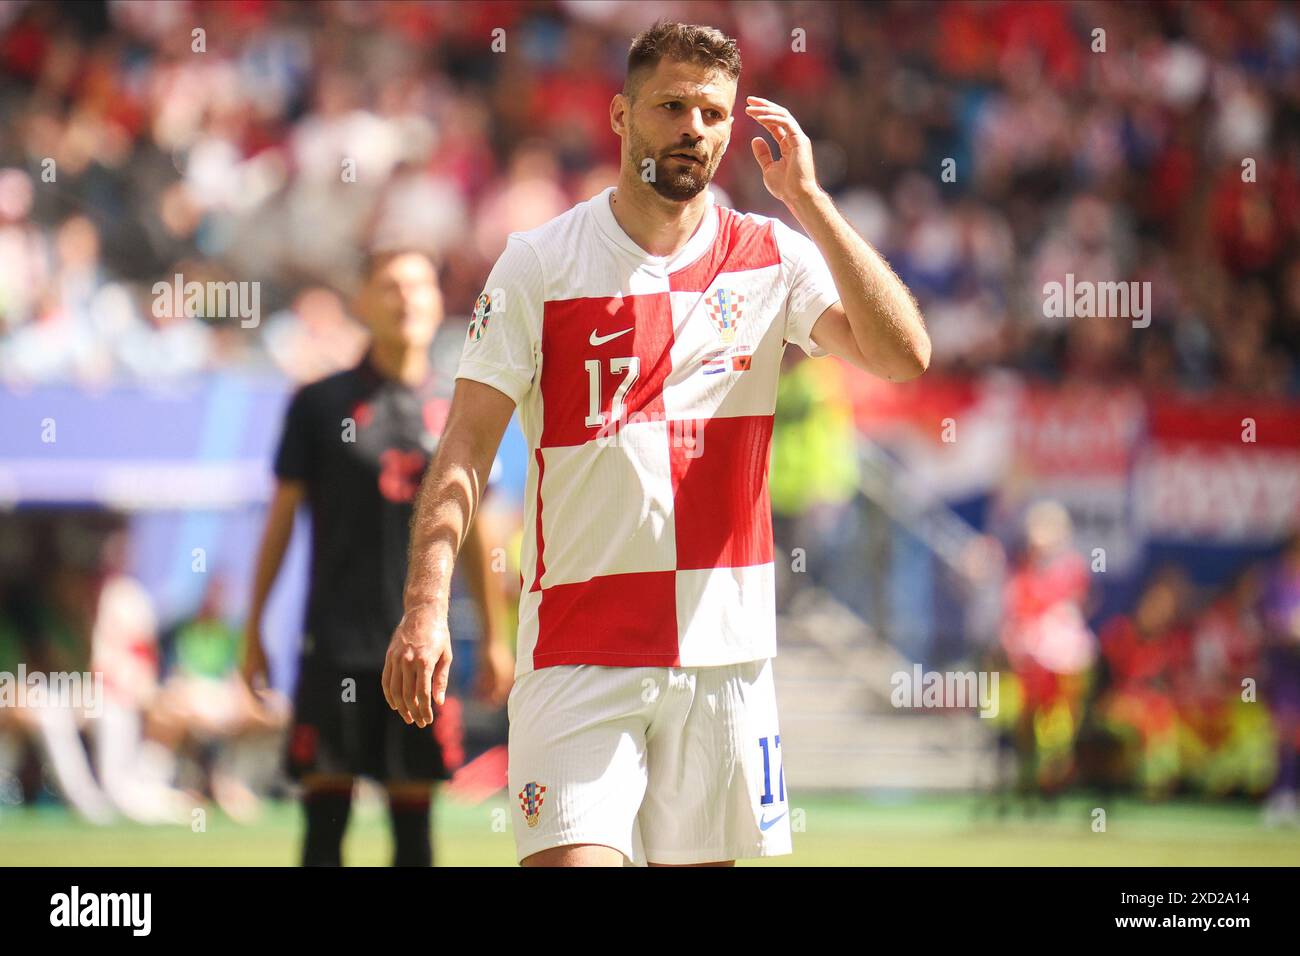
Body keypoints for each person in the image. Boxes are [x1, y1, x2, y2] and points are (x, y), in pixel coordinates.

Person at [383, 19, 929, 867]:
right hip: (576, 651)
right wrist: (425, 606)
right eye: (671, 106)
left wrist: (812, 205)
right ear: (620, 115)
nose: (694, 129)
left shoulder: (772, 256)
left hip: (723, 658)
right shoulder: (539, 263)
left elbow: (903, 355)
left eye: (713, 113)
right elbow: (464, 449)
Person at [242, 249, 513, 866]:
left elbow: (474, 534)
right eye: (390, 286)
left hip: (421, 651)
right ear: (363, 301)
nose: (407, 299)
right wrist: (254, 626)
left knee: (413, 835)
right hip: (334, 646)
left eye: (419, 286)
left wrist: (497, 638)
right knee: (323, 834)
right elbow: (281, 523)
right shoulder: (318, 405)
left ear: (437, 301)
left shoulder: (461, 408)